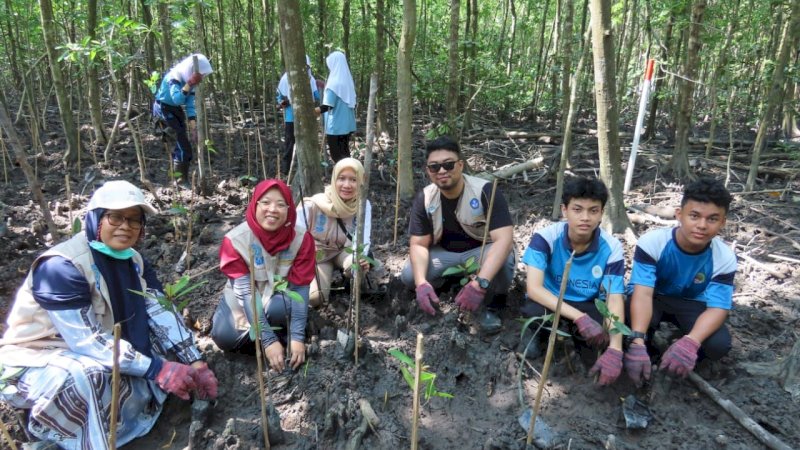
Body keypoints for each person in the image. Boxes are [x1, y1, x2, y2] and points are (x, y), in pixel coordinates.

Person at [0, 180, 217, 449]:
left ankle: (126, 424)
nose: (125, 226)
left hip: (97, 345)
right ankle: (60, 438)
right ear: (95, 218)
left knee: (165, 351)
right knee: (89, 375)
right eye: (115, 217)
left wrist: (194, 361)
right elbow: (85, 342)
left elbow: (159, 310)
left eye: (134, 220)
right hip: (38, 357)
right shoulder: (61, 267)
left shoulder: (133, 261)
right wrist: (157, 369)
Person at [625, 178, 736, 386]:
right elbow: (643, 293)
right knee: (627, 313)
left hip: (691, 303)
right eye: (694, 216)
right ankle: (645, 349)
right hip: (654, 297)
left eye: (712, 219)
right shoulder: (653, 242)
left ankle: (684, 357)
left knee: (718, 345)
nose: (702, 225)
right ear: (679, 215)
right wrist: (637, 340)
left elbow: (719, 308)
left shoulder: (724, 257)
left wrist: (691, 342)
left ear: (722, 223)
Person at [400, 136, 514, 333]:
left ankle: (493, 304)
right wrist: (421, 284)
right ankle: (445, 285)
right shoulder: (425, 198)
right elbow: (418, 244)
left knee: (504, 260)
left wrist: (480, 284)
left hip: (480, 251)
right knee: (409, 275)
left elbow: (504, 239)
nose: (442, 171)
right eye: (435, 167)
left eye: (449, 164)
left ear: (460, 165)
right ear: (428, 171)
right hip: (445, 253)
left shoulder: (485, 190)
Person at [520, 177, 626, 385]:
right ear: (565, 210)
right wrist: (579, 318)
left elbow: (614, 298)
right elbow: (534, 288)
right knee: (533, 312)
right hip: (549, 299)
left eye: (593, 210)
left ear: (601, 213)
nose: (585, 217)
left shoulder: (612, 247)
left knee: (602, 340)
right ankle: (536, 336)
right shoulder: (545, 238)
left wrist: (616, 348)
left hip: (588, 302)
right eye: (577, 209)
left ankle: (583, 349)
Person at [211, 179, 316, 372]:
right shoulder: (235, 241)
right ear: (255, 204)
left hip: (278, 298)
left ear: (289, 208)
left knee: (278, 309)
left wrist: (298, 337)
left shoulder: (302, 239)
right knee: (223, 335)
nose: (272, 209)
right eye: (265, 202)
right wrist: (268, 340)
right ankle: (273, 342)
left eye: (281, 204)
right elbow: (246, 293)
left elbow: (300, 288)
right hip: (244, 300)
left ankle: (287, 337)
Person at [297, 158, 372, 307]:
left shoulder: (363, 204)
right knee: (315, 298)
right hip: (317, 255)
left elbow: (363, 237)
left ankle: (350, 283)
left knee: (357, 266)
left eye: (353, 180)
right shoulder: (312, 204)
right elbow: (295, 238)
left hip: (343, 251)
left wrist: (359, 258)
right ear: (333, 179)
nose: (347, 185)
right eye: (341, 178)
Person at [153, 53, 213, 182]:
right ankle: (179, 181)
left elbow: (190, 106)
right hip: (163, 108)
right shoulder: (174, 77)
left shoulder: (191, 85)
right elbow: (178, 99)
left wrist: (193, 129)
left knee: (183, 143)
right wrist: (189, 82)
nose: (201, 77)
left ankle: (180, 178)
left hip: (175, 110)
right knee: (181, 145)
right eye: (200, 74)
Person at [276, 55, 321, 175]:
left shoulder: (308, 78)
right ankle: (296, 169)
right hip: (301, 117)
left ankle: (288, 170)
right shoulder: (307, 78)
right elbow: (317, 96)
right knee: (301, 143)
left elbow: (278, 97)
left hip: (295, 118)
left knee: (291, 143)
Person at [315, 51, 356, 163]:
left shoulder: (333, 84)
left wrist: (311, 112)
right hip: (347, 125)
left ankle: (342, 177)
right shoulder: (348, 82)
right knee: (345, 153)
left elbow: (327, 106)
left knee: (337, 156)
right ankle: (350, 176)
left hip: (336, 127)